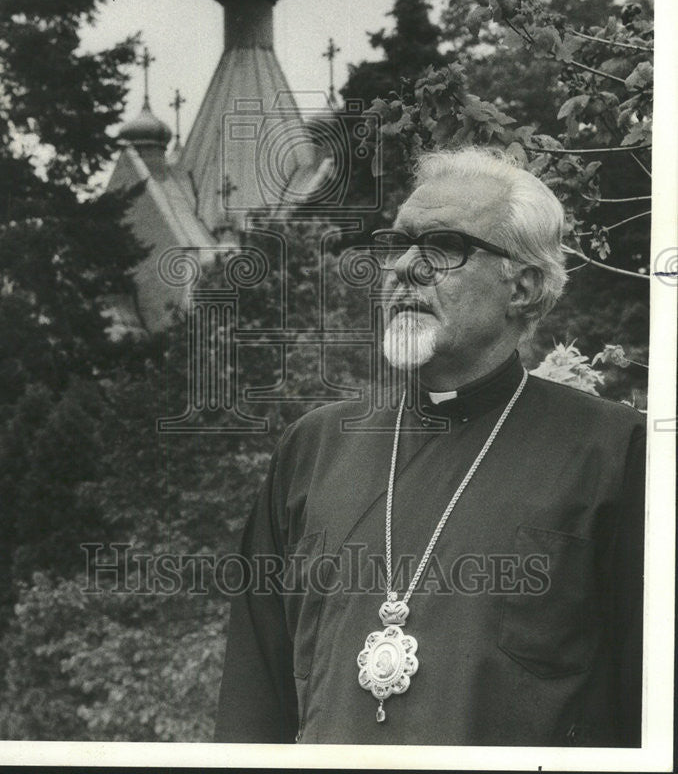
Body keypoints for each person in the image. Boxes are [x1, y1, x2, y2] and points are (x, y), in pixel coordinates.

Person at [214, 146, 646, 746]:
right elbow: (253, 699)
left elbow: (649, 714)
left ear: (521, 286)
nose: (402, 269)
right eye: (397, 244)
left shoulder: (615, 451)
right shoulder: (314, 447)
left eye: (443, 247)